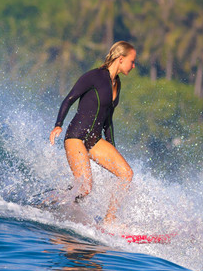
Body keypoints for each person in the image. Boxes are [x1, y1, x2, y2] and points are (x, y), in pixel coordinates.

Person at [49, 41, 137, 224]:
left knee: (126, 174)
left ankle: (109, 221)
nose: (134, 65)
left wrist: (112, 148)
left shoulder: (116, 84)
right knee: (85, 187)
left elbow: (108, 120)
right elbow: (69, 99)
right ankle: (53, 203)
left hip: (94, 140)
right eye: (132, 61)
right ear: (121, 59)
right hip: (76, 137)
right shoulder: (94, 76)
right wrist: (58, 124)